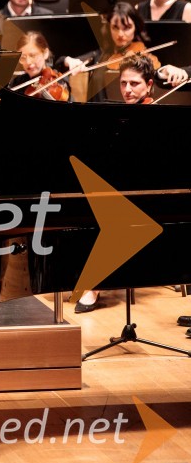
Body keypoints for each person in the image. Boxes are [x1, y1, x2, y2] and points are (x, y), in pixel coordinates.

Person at [75, 54, 155, 314]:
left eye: (134, 84)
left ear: (149, 85)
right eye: (123, 83)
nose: (128, 90)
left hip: (149, 193)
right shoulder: (116, 115)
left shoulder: (155, 114)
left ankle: (94, 286)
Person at [59, 2, 161, 103]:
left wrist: (165, 72)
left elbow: (157, 75)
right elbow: (60, 64)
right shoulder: (101, 55)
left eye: (127, 28)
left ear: (136, 28)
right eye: (115, 27)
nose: (120, 34)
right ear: (109, 27)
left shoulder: (142, 55)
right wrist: (68, 60)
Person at [9, 31, 71, 102]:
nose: (28, 62)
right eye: (23, 57)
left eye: (33, 55)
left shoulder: (58, 80)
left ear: (45, 53)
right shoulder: (17, 82)